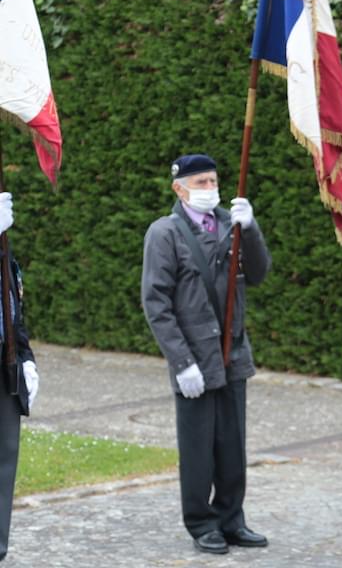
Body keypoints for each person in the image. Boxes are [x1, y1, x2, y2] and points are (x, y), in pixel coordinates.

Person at [141, 154, 271, 555]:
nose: (209, 188)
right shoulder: (164, 233)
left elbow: (260, 271)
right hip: (194, 359)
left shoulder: (230, 224)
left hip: (232, 352)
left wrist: (250, 230)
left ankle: (232, 519)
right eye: (200, 183)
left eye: (213, 181)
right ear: (178, 189)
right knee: (198, 449)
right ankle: (202, 523)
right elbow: (156, 304)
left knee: (232, 446)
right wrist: (181, 364)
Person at [0, 192, 39, 562]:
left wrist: (26, 357)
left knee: (4, 459)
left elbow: (13, 307)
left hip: (4, 365)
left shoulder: (4, 246)